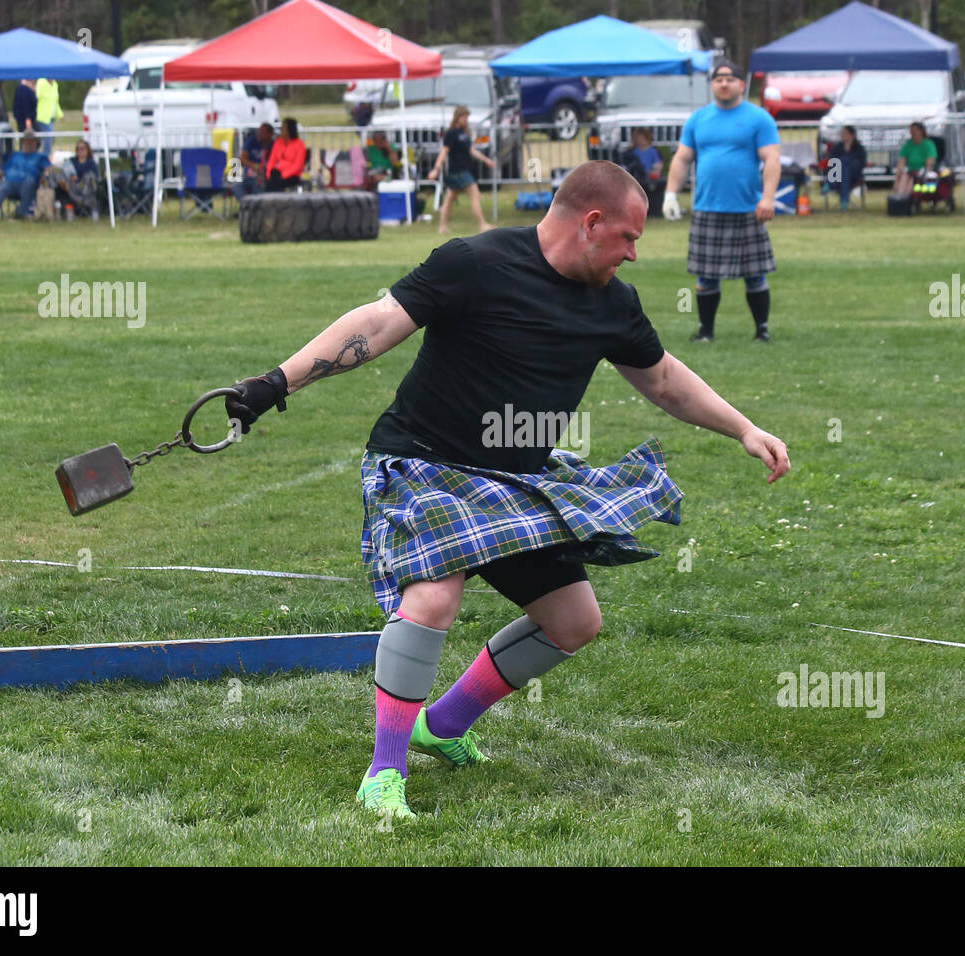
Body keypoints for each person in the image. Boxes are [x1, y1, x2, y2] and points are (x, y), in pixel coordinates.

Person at [222, 160, 791, 821]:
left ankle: (445, 723)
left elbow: (662, 380)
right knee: (435, 596)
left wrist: (743, 429)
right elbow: (376, 325)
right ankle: (385, 770)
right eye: (628, 238)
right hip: (424, 461)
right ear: (592, 222)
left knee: (576, 623)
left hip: (516, 481)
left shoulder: (613, 303)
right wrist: (272, 385)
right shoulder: (475, 262)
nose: (634, 253)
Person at [663, 57, 781, 344]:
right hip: (707, 208)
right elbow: (682, 158)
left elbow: (771, 159)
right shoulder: (698, 119)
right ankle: (705, 331)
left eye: (730, 79)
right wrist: (670, 194)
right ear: (712, 85)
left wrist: (767, 198)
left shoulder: (759, 118)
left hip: (747, 208)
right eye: (718, 79)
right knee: (705, 276)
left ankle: (761, 330)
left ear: (742, 84)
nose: (724, 84)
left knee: (755, 274)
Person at [426, 106, 495, 235]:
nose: (466, 119)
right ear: (458, 117)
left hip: (464, 169)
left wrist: (486, 160)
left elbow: (471, 150)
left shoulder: (464, 133)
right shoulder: (451, 133)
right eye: (464, 117)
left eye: (467, 117)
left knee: (450, 198)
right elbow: (444, 152)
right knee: (475, 194)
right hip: (457, 170)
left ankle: (443, 227)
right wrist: (436, 169)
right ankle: (482, 225)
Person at [0, 131, 51, 219]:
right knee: (3, 187)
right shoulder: (14, 155)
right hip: (11, 182)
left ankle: (21, 212)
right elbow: (1, 171)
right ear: (23, 142)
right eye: (27, 141)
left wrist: (44, 175)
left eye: (32, 141)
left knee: (29, 183)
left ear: (36, 143)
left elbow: (48, 168)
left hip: (29, 183)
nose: (29, 143)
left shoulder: (40, 157)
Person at [824, 125, 866, 210]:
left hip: (854, 175)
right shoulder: (837, 147)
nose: (842, 135)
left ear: (852, 135)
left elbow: (861, 163)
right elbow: (831, 161)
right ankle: (844, 201)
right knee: (844, 169)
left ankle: (830, 184)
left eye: (845, 133)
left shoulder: (859, 148)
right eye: (842, 133)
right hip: (839, 174)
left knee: (845, 164)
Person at [55, 140, 99, 221]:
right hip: (70, 186)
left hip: (86, 189)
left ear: (87, 150)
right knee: (58, 175)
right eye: (78, 149)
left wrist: (78, 178)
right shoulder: (71, 161)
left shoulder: (91, 163)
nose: (80, 151)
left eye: (82, 148)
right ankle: (63, 210)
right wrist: (70, 177)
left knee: (89, 177)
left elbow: (94, 177)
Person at [893, 121, 936, 199]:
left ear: (921, 131)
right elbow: (901, 162)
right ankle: (900, 199)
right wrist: (897, 179)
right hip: (910, 171)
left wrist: (926, 174)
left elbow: (930, 161)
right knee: (903, 178)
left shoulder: (928, 144)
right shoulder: (908, 145)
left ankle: (906, 198)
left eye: (914, 130)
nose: (912, 133)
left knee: (911, 182)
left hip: (921, 173)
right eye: (911, 131)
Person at [233, 122, 274, 200]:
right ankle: (246, 206)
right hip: (248, 176)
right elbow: (242, 158)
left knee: (259, 187)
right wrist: (254, 166)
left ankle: (254, 208)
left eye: (263, 132)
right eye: (260, 131)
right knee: (237, 185)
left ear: (270, 134)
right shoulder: (251, 141)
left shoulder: (273, 145)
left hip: (263, 177)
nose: (260, 134)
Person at [264, 117, 305, 191]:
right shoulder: (278, 142)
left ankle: (273, 200)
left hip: (291, 175)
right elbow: (272, 160)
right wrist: (268, 173)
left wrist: (284, 175)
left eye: (283, 127)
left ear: (290, 129)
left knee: (274, 183)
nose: (281, 129)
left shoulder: (299, 144)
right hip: (276, 174)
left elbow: (298, 166)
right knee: (273, 177)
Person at [35, 78, 64, 156]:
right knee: (49, 136)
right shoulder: (41, 82)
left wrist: (60, 114)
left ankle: (44, 155)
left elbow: (55, 102)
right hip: (42, 116)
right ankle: (45, 157)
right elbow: (36, 97)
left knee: (50, 137)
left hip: (51, 117)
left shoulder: (55, 84)